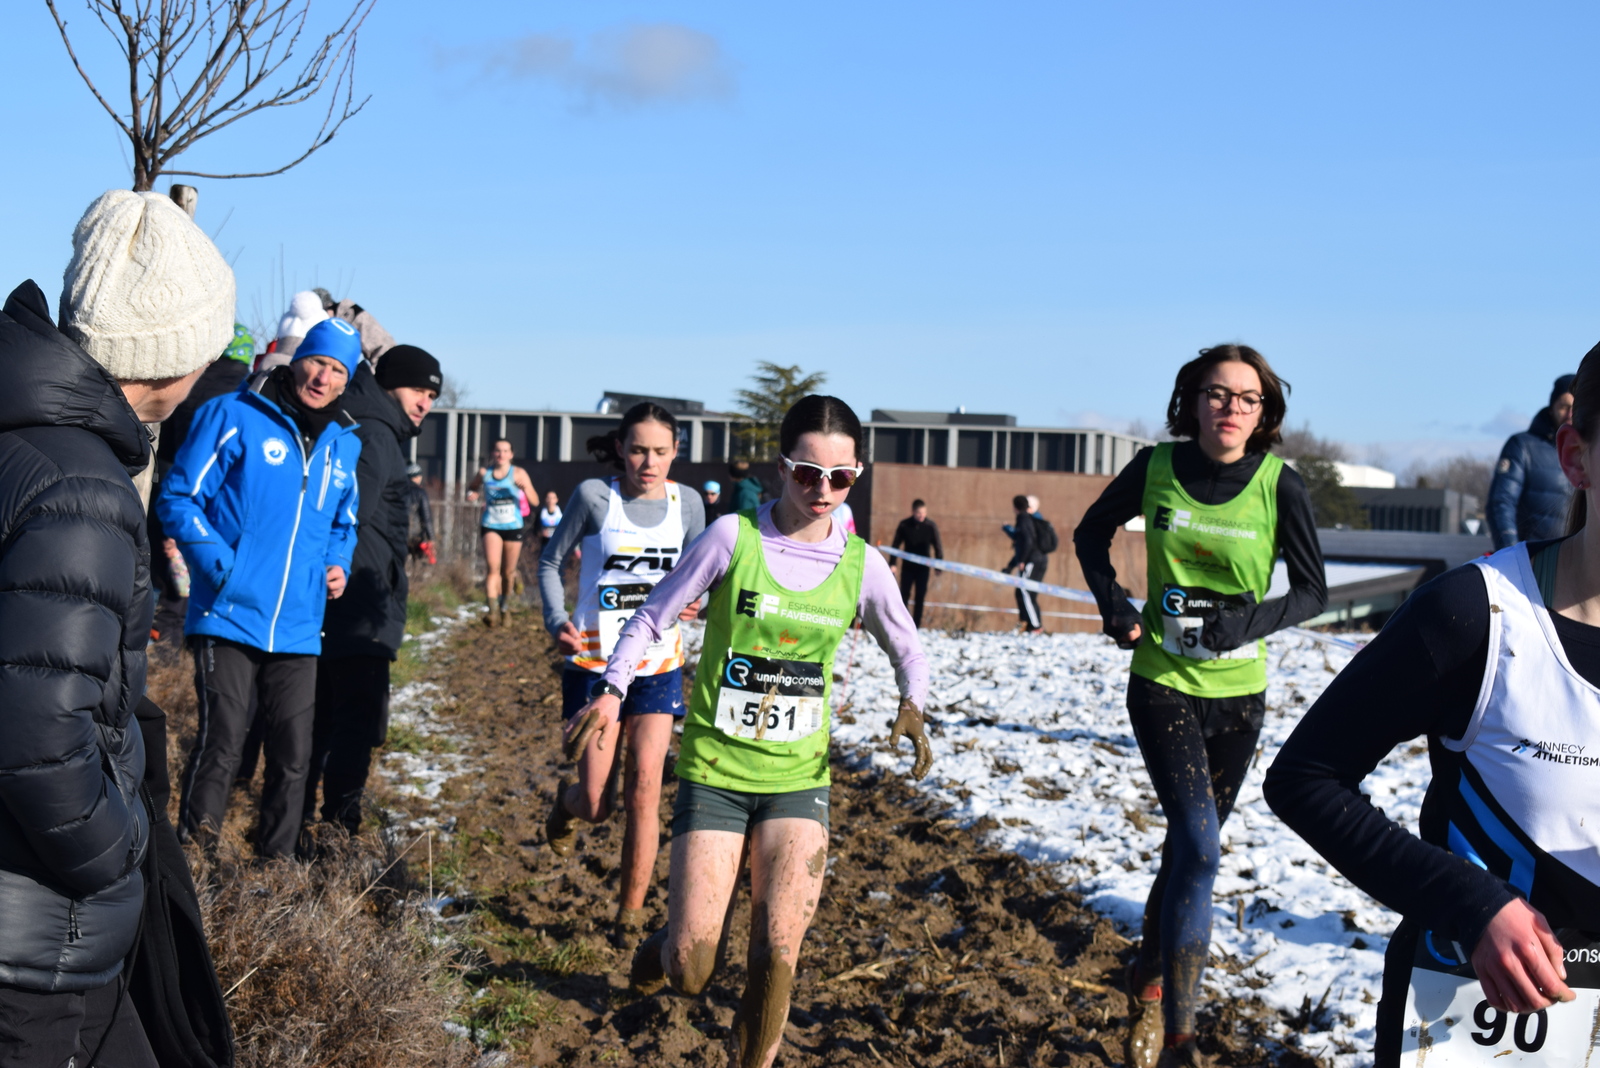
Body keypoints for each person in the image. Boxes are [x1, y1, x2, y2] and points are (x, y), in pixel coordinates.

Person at [1264, 346, 1600, 1068]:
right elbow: (1305, 778)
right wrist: (1469, 904)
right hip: (1485, 1013)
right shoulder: (1477, 614)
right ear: (1576, 458)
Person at [571, 395, 931, 1068]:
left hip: (798, 780)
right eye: (808, 473)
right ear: (782, 468)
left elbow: (908, 648)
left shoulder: (863, 565)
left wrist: (913, 702)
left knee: (776, 960)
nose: (823, 490)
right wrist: (613, 689)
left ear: (856, 475)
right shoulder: (731, 538)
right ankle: (663, 947)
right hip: (716, 773)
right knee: (692, 967)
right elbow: (652, 617)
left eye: (841, 477)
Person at [0, 189, 235, 1065]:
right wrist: (121, 846)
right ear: (169, 357)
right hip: (36, 936)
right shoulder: (83, 490)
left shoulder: (25, 444)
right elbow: (36, 732)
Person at [1073, 344, 1327, 1068]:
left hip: (1239, 699)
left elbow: (1313, 592)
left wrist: (1244, 625)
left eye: (1247, 398)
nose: (1230, 408)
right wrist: (1114, 604)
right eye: (1217, 394)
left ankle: (1149, 981)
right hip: (1163, 683)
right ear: (1191, 401)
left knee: (1189, 850)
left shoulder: (1281, 485)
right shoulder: (1155, 468)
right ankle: (1181, 1040)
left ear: (1264, 411)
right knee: (1202, 846)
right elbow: (1090, 533)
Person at [159, 316, 362, 860]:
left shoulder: (344, 444)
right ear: (296, 361)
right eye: (316, 361)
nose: (322, 377)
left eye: (337, 370)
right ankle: (197, 858)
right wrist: (222, 569)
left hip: (298, 625)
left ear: (346, 381)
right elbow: (178, 498)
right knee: (223, 744)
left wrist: (338, 563)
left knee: (294, 756)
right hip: (227, 613)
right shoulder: (232, 414)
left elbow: (344, 523)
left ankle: (276, 866)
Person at [539, 404, 706, 942]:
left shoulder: (689, 505)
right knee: (597, 803)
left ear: (675, 452)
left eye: (660, 451)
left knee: (645, 790)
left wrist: (697, 601)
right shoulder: (594, 497)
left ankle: (629, 917)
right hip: (594, 664)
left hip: (657, 665)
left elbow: (703, 575)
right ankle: (567, 806)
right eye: (637, 450)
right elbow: (550, 562)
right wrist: (556, 619)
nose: (648, 462)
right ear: (620, 448)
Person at [306, 344, 441, 838]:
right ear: (389, 384)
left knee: (326, 722)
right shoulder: (376, 433)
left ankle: (301, 826)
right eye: (418, 390)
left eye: (432, 395)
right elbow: (347, 517)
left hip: (353, 601)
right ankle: (338, 832)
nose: (425, 402)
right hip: (357, 607)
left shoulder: (369, 425)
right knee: (353, 724)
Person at [147, 321, 255, 647]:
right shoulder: (246, 397)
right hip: (224, 507)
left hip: (176, 496)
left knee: (173, 585)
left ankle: (163, 654)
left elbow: (165, 451)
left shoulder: (185, 388)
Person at [1487, 374, 1576, 549]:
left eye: (1576, 407)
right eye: (1564, 406)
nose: (1570, 414)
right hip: (1532, 557)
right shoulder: (1522, 446)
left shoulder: (1590, 452)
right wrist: (1512, 553)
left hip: (1576, 559)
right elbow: (1501, 502)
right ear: (1551, 408)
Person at [466, 439, 537, 627]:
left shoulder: (519, 473)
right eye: (498, 451)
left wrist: (525, 489)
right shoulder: (485, 473)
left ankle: (505, 607)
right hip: (491, 525)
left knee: (508, 572)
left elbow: (535, 501)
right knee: (493, 569)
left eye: (505, 451)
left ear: (511, 454)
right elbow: (472, 488)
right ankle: (492, 611)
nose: (501, 455)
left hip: (513, 526)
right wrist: (472, 494)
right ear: (492, 453)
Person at [891, 498, 944, 627]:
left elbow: (937, 546)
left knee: (920, 596)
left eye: (924, 513)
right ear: (913, 512)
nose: (922, 516)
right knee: (904, 595)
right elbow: (895, 545)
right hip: (908, 567)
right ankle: (903, 623)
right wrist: (893, 563)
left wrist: (938, 565)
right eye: (919, 513)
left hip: (923, 568)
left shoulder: (930, 526)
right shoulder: (904, 525)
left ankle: (916, 625)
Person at [1004, 494, 1048, 632]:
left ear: (1015, 507)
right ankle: (1026, 624)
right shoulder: (1025, 519)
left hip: (1033, 561)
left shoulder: (1025, 520)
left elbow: (1028, 542)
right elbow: (1020, 545)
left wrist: (1022, 560)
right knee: (1021, 592)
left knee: (1025, 591)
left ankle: (1036, 626)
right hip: (1032, 560)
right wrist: (1010, 566)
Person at [405, 462, 436, 563]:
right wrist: (431, 538)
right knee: (418, 563)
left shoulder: (398, 491)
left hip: (400, 533)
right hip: (416, 536)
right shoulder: (420, 492)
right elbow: (427, 518)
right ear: (418, 476)